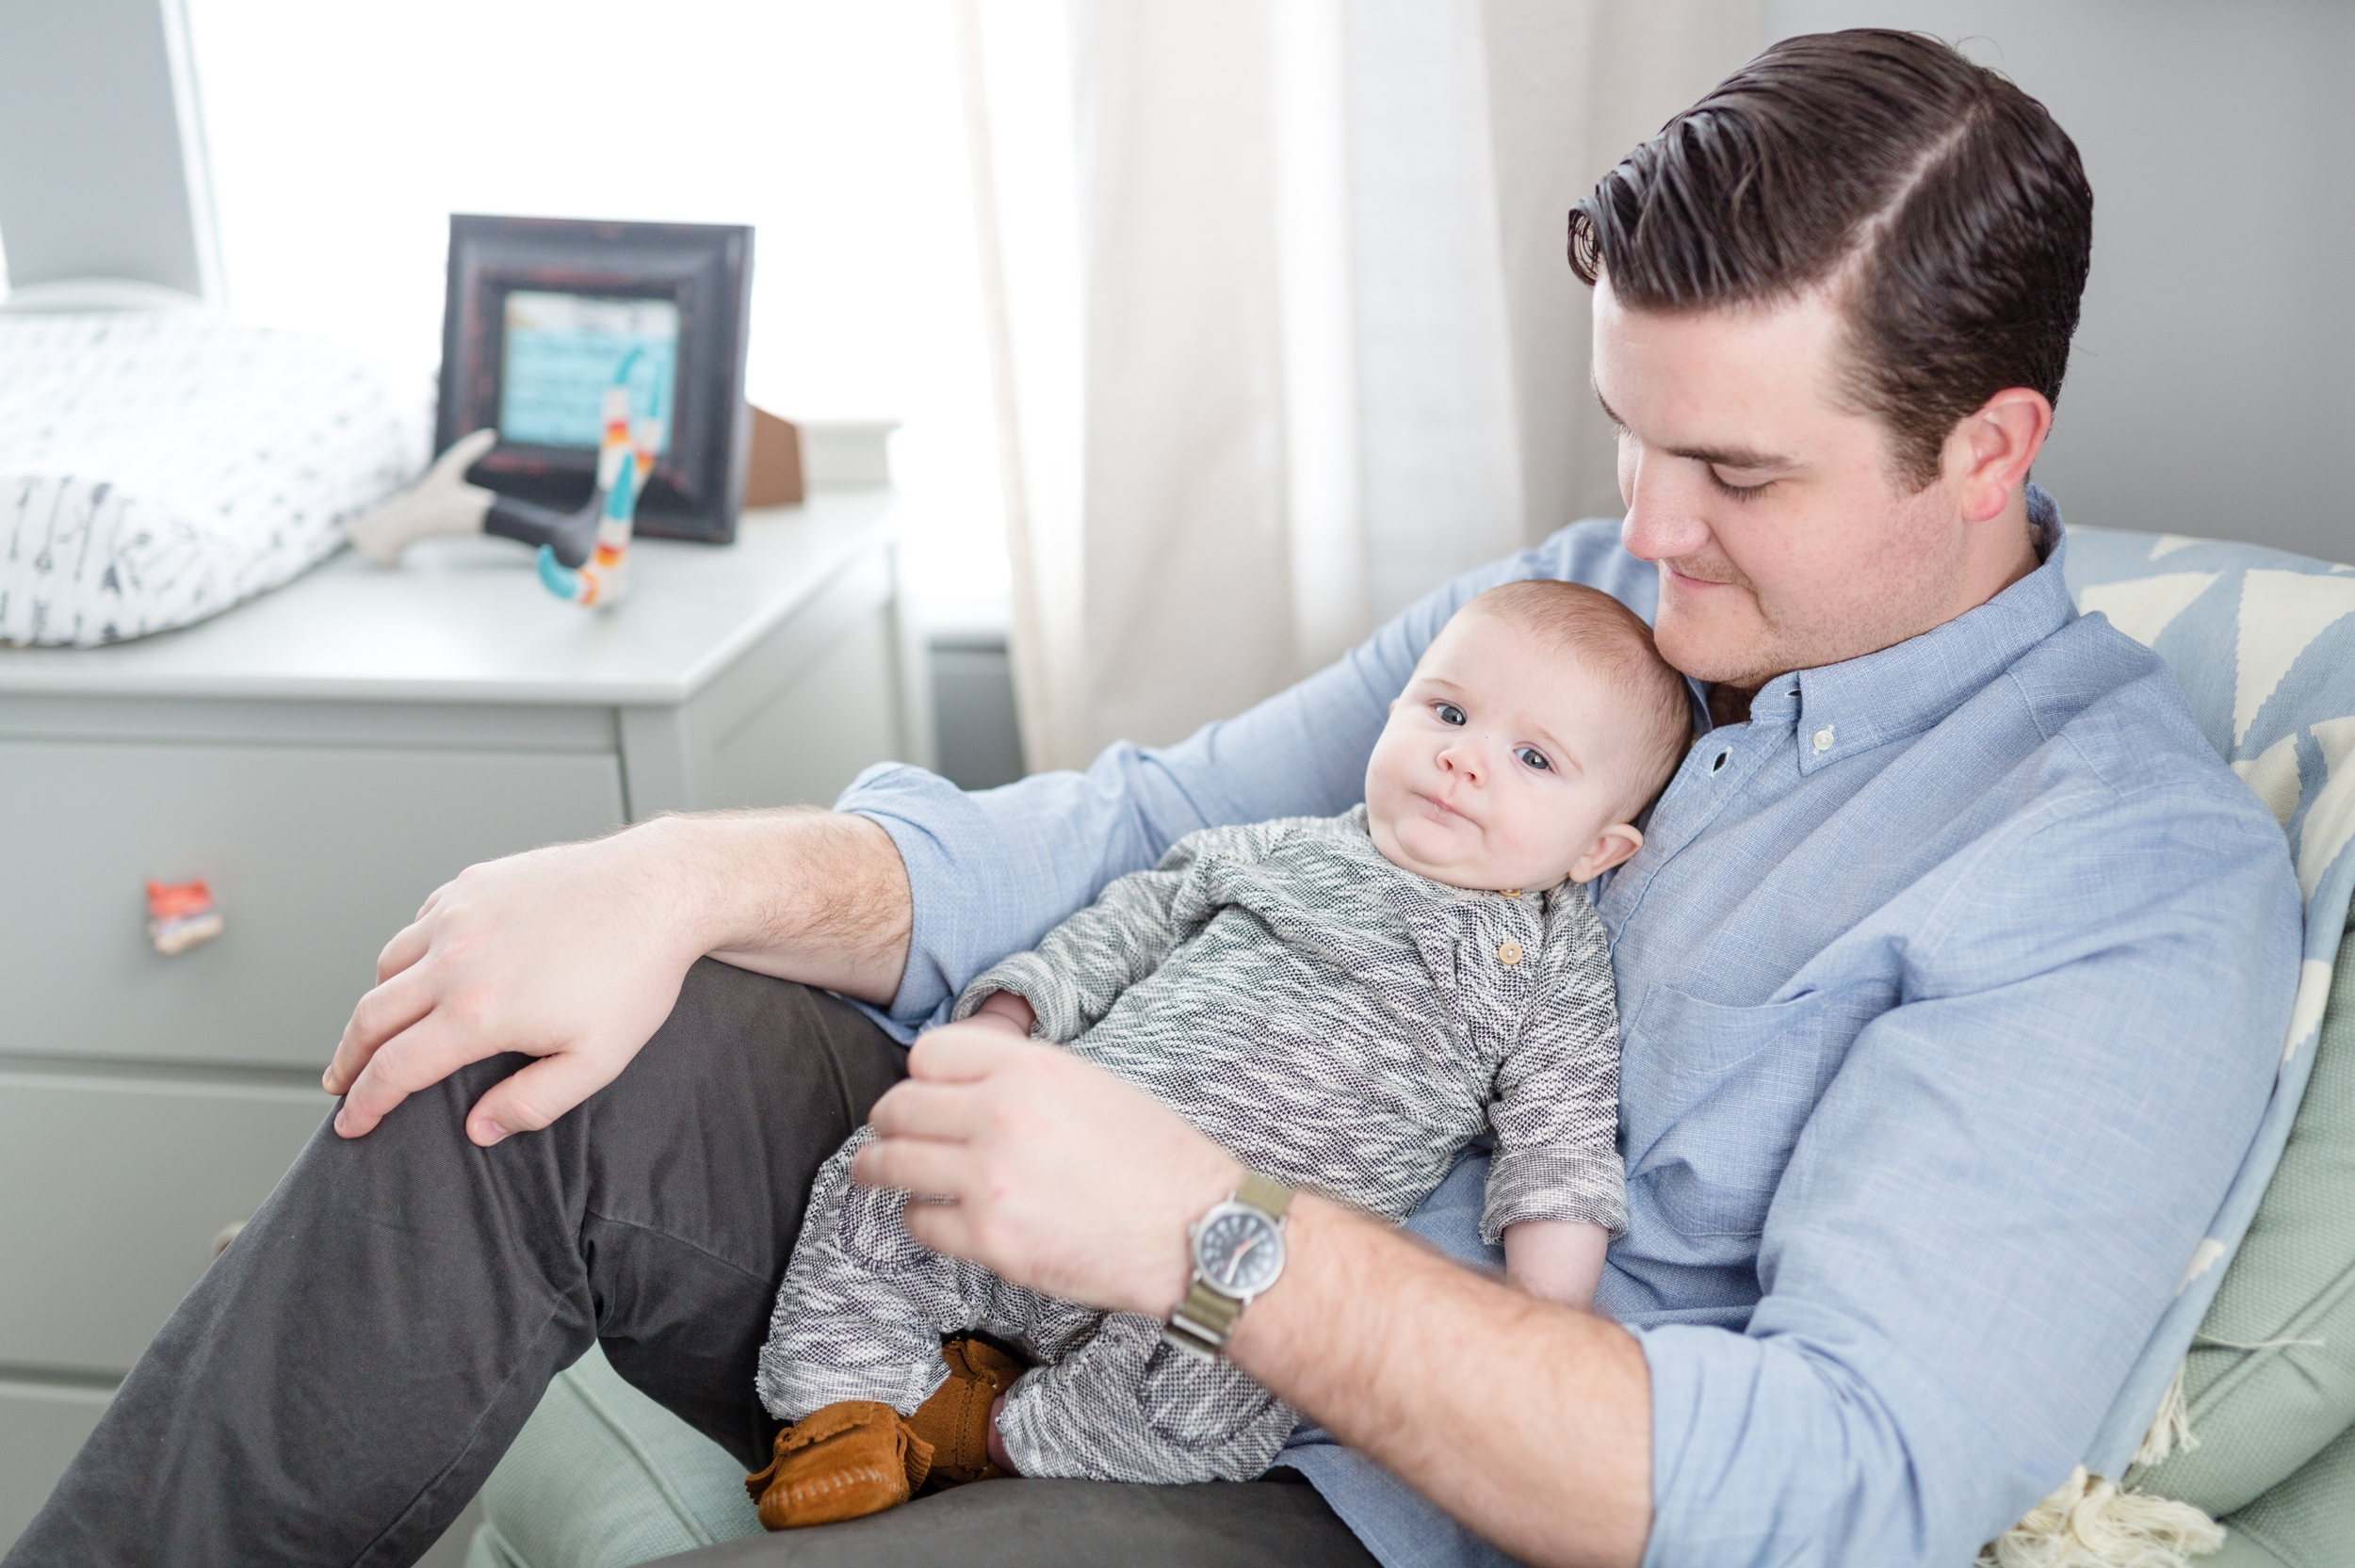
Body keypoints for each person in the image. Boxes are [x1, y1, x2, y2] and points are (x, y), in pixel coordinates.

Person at [6, 28, 2300, 1568]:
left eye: (1733, 468)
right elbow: (1129, 830)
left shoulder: (2110, 876)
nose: (1645, 526)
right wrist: (678, 862)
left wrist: (1220, 1238)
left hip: (1337, 1489)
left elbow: (1858, 1472)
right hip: (1042, 1238)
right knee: (522, 1044)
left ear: (1986, 444)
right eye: (1626, 431)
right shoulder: (1575, 611)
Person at [747, 583, 1688, 1528]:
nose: (1462, 758)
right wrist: (1008, 1013)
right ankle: (841, 1411)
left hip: (1229, 1262)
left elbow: (1559, 1144)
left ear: (1597, 850)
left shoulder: (1545, 968)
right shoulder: (1278, 849)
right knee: (881, 1170)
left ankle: (978, 1434)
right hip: (1051, 1163)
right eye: (1446, 711)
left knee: (1227, 1391)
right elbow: (1119, 929)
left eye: (1532, 758)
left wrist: (1540, 1320)